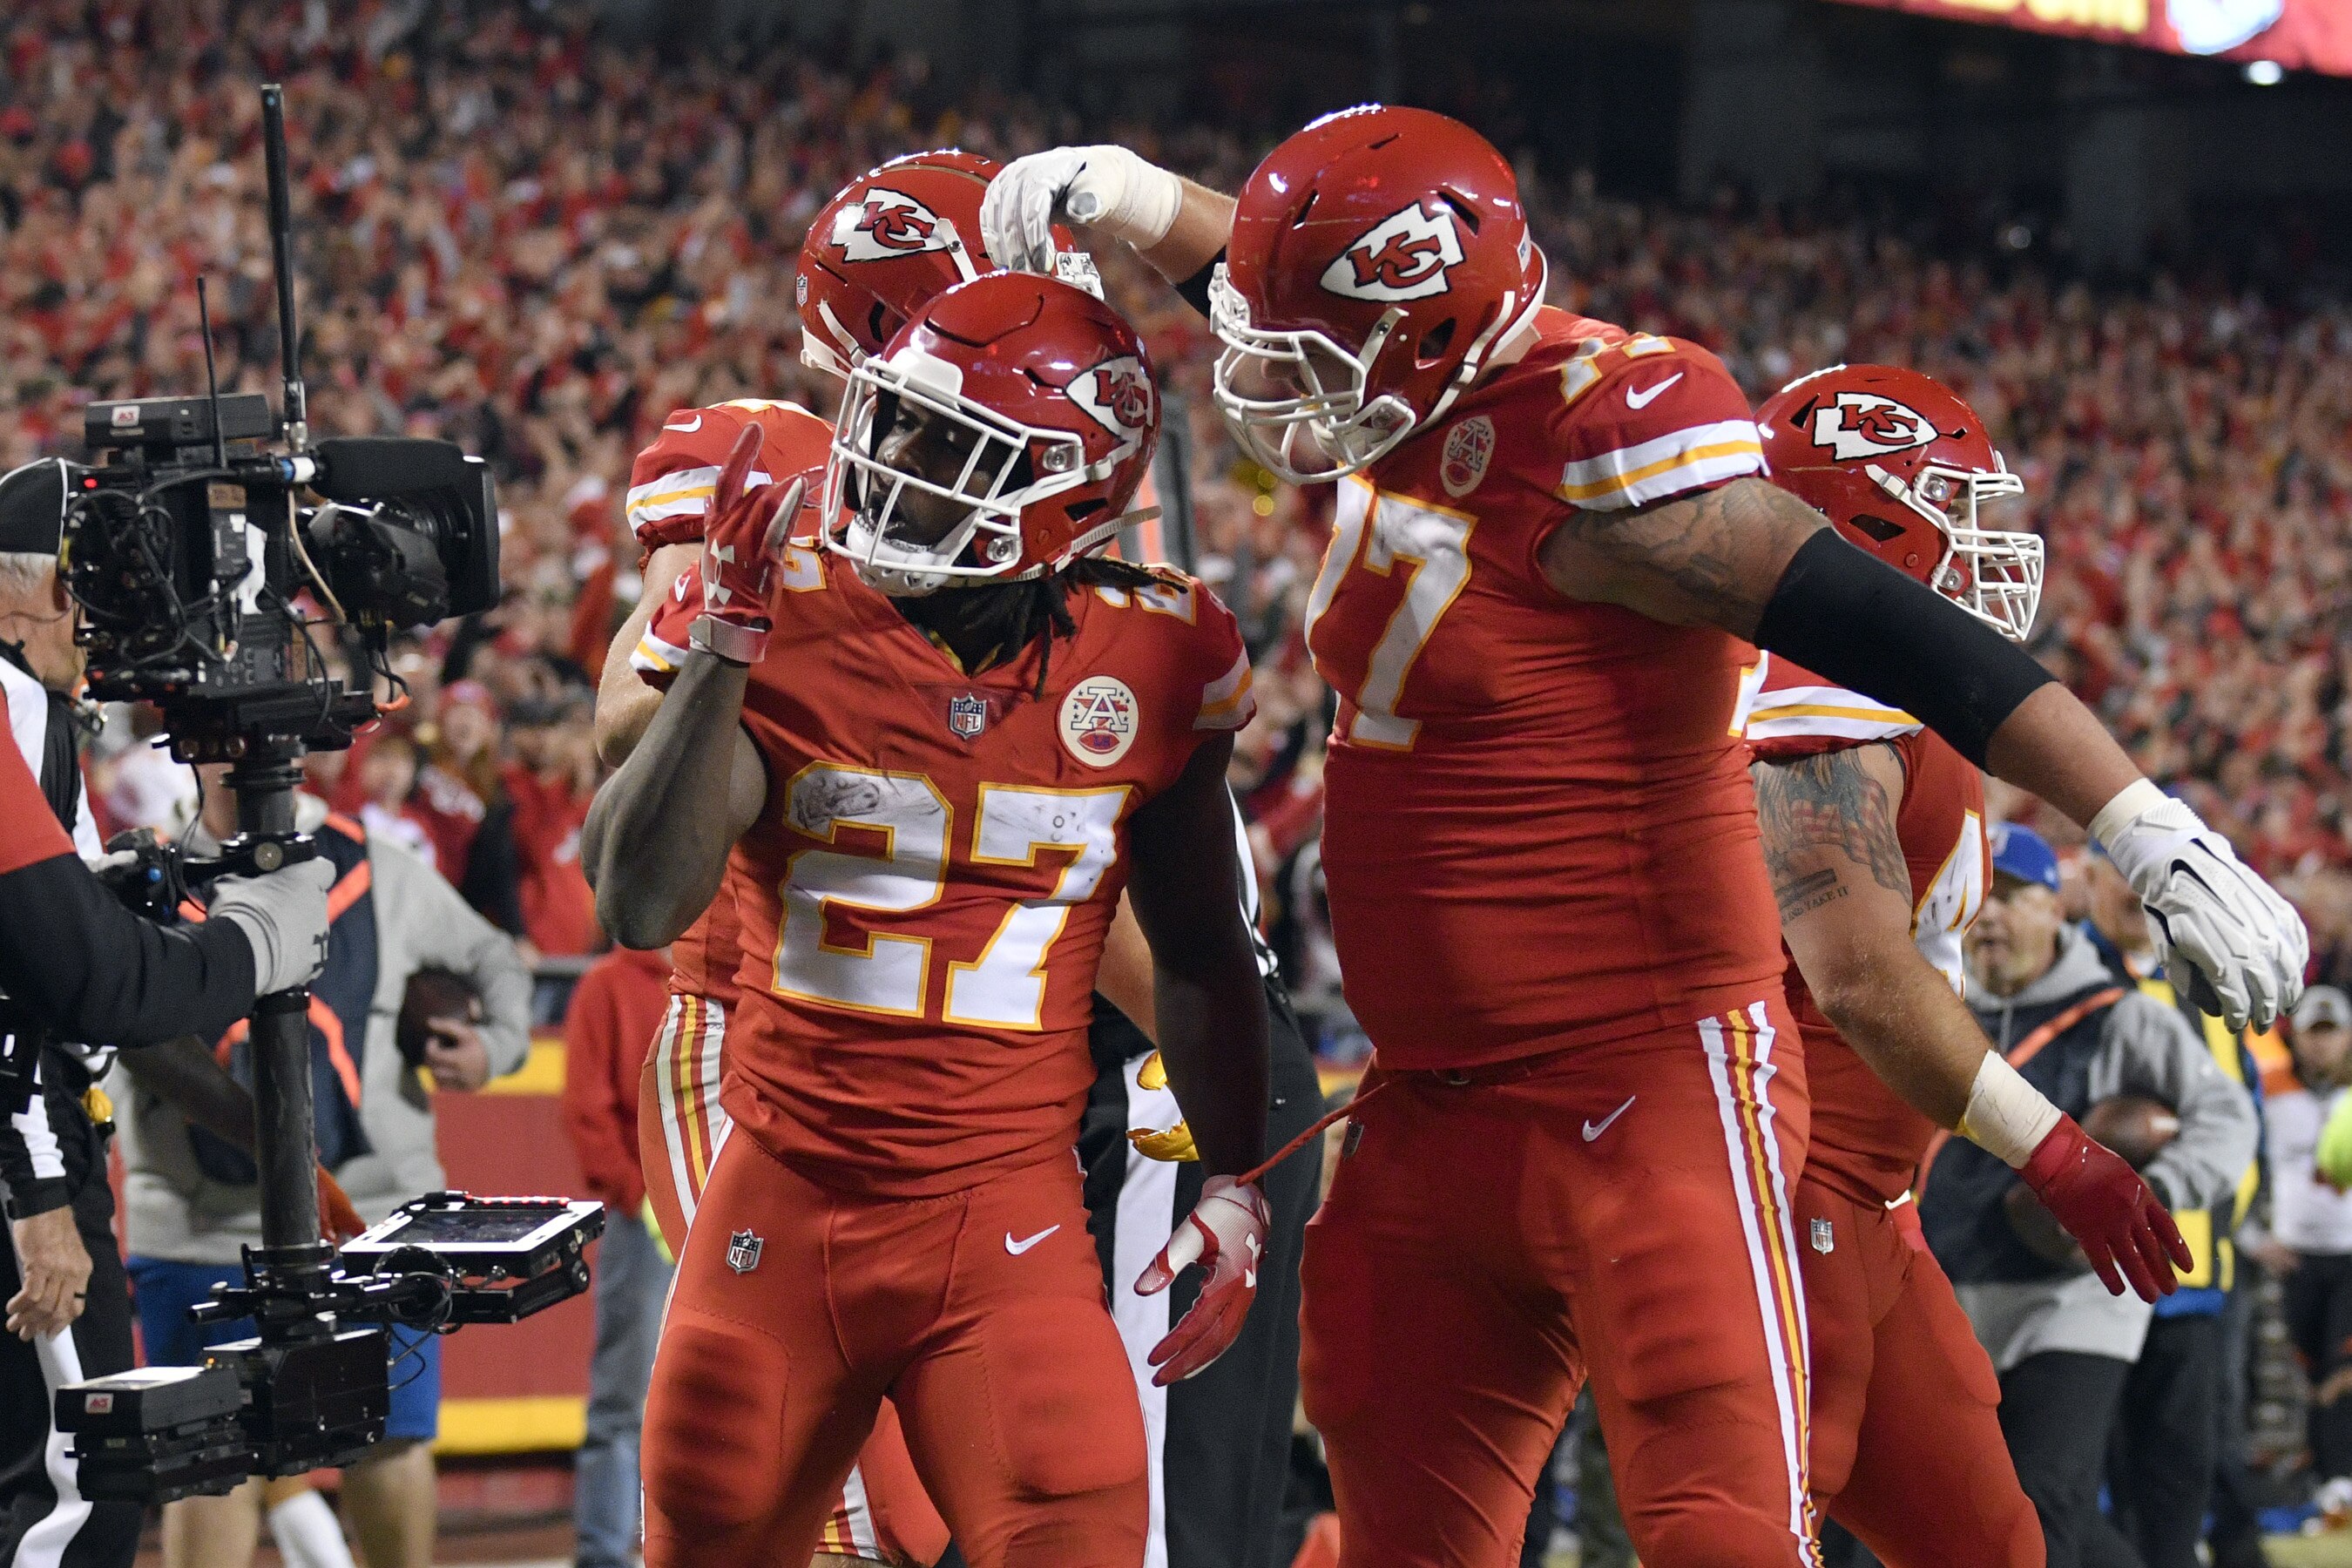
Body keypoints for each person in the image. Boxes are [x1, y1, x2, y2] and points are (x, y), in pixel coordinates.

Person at [984, 108, 2304, 1566]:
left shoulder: (1604, 443)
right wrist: (1137, 193)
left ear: (1433, 338)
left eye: (1310, 349)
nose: (1262, 370)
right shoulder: (1414, 384)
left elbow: (1891, 631)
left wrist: (2144, 822)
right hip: (1435, 1101)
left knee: (1726, 1531)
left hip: (1645, 1095)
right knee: (1401, 1533)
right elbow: (1290, 295)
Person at [585, 271, 1272, 1568]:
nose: (890, 460)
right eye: (892, 420)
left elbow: (1198, 946)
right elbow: (636, 900)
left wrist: (1236, 1175)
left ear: (1066, 484)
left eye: (946, 442)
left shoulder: (1160, 651)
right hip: (783, 1198)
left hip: (1002, 1222)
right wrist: (724, 648)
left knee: (1081, 1530)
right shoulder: (772, 598)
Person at [1741, 364, 2187, 1568]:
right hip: (1783, 1183)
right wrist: (2053, 1145)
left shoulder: (1906, 702)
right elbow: (1864, 980)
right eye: (1955, 501)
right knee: (1759, 1530)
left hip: (1877, 1201)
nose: (1988, 534)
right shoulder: (1820, 694)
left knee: (1992, 1545)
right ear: (1862, 526)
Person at [0, 458, 330, 1568]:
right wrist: (254, 941)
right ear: (15, 596)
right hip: (24, 1156)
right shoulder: (9, 701)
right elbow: (78, 984)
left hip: (37, 1136)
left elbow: (78, 939)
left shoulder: (36, 708)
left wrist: (159, 884)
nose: (110, 622)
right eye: (86, 588)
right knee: (79, 1490)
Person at [114, 765, 532, 1568]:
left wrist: (495, 1045)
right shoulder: (141, 873)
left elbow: (494, 954)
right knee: (211, 1462)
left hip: (368, 1219)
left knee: (389, 1441)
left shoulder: (381, 864)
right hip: (201, 1225)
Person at [1921, 823, 2257, 1568]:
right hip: (1949, 1289)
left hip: (2072, 1300)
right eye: (1979, 900)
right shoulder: (1933, 1013)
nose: (1993, 916)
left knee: (2045, 1494)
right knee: (1962, 1508)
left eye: (2013, 896)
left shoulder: (2118, 1014)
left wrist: (2154, 1192)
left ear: (2055, 908)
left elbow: (2229, 1116)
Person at [2078, 842, 2266, 1568]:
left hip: (2192, 1281)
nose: (2138, 890)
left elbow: (2242, 1123)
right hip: (2089, 1284)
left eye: (2150, 875)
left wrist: (2239, 1233)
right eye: (2121, 871)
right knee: (2080, 1479)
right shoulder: (2069, 983)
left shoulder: (2211, 995)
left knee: (2178, 1478)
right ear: (2087, 878)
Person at [560, 940, 677, 1568]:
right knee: (624, 1399)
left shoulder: (727, 975)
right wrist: (639, 1194)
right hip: (648, 1225)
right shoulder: (607, 987)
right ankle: (605, 1555)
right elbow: (587, 1112)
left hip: (719, 1218)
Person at [2250, 987, 2352, 1521]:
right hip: (2295, 1258)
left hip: (2350, 1255)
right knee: (2306, 1373)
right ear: (2297, 1037)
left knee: (2343, 1367)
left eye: (2332, 1032)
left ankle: (2339, 1480)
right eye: (2315, 1032)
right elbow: (2241, 1166)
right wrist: (2252, 1238)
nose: (2323, 1044)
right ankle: (2321, 1476)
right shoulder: (2270, 1092)